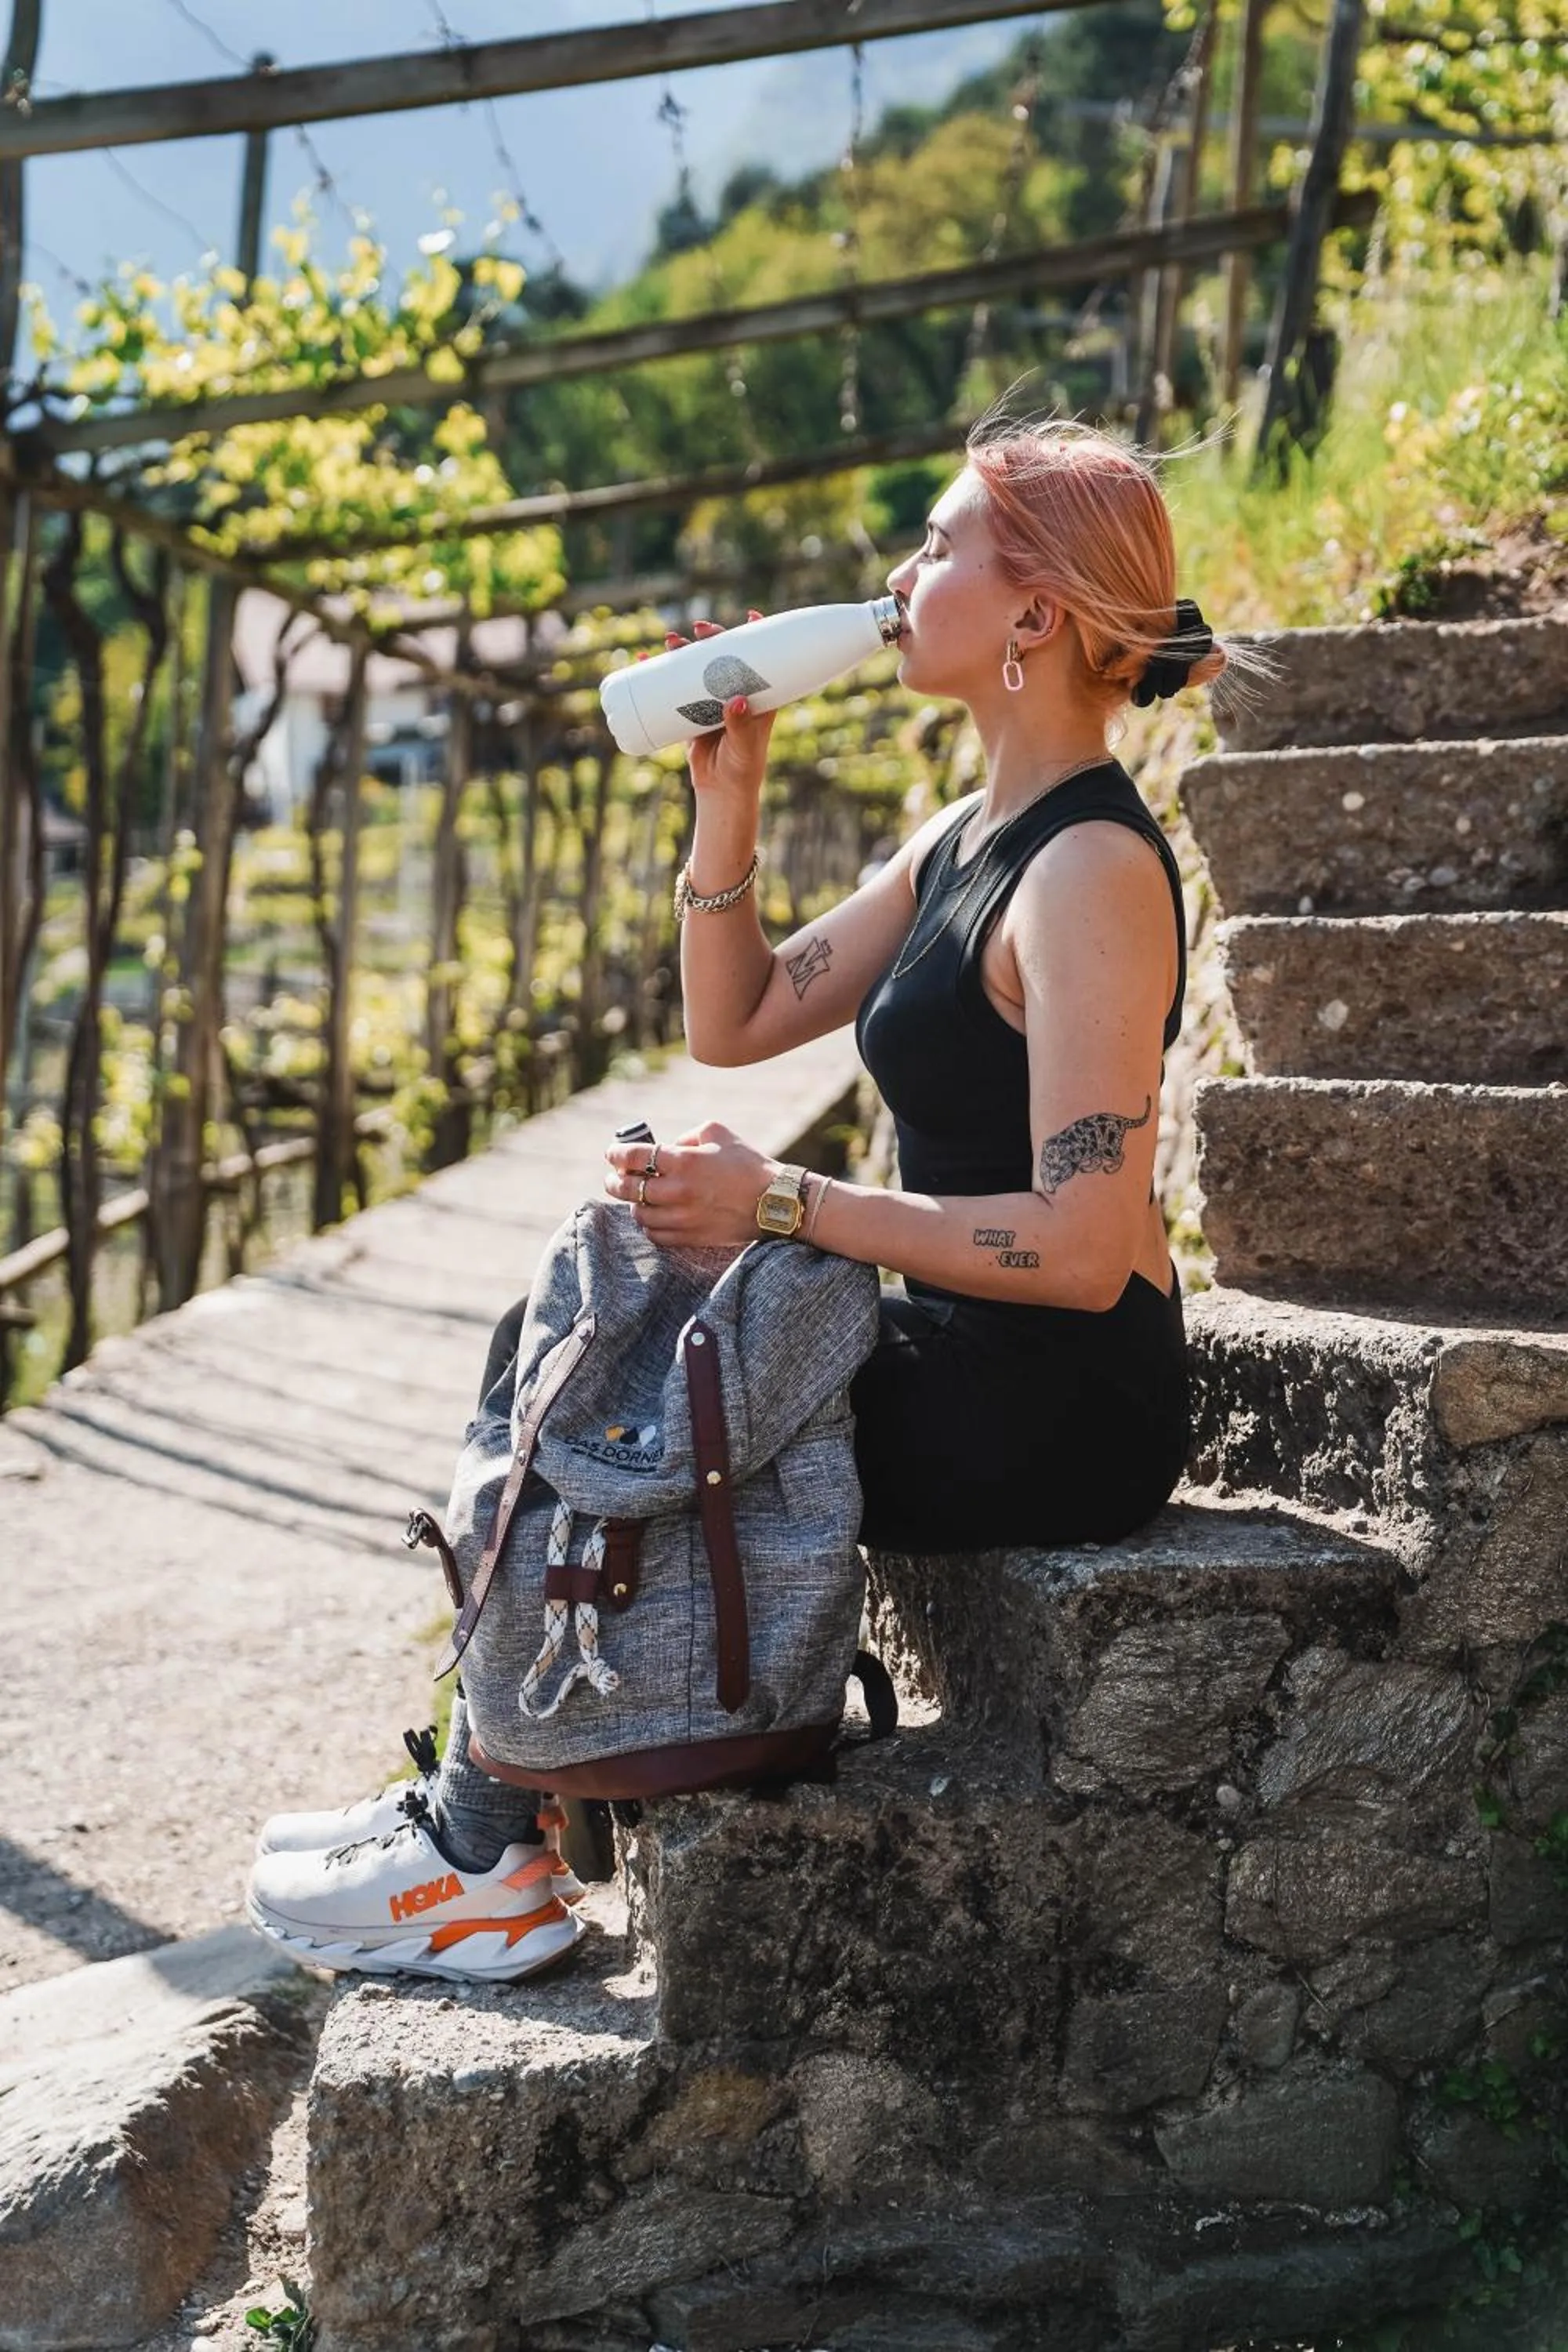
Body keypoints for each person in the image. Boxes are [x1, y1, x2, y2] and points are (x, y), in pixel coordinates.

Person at [246, 411, 1255, 1984]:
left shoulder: (1091, 874)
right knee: (577, 1306)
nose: (901, 572)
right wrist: (728, 802)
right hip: (954, 1343)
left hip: (1055, 1402)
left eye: (937, 546)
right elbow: (739, 1019)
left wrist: (779, 1207)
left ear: (1037, 617)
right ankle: (491, 1811)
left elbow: (1075, 1251)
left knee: (651, 1368)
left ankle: (482, 1845)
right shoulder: (961, 844)